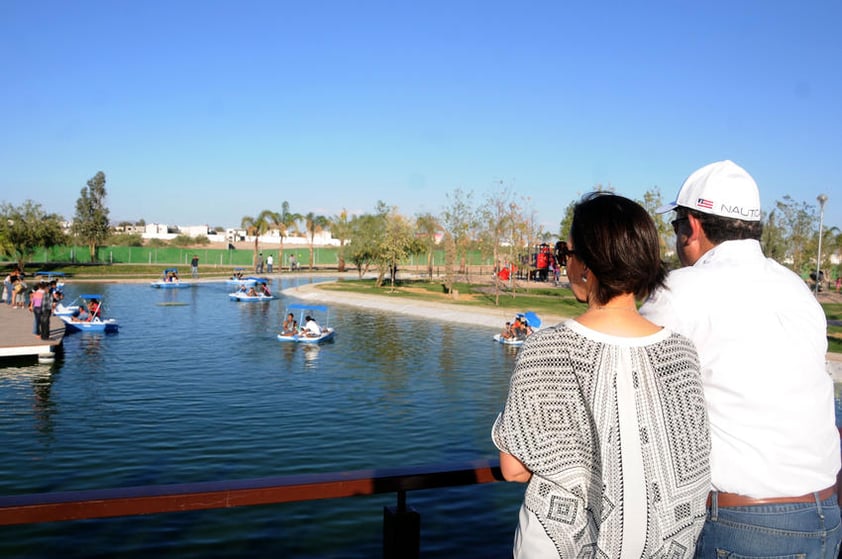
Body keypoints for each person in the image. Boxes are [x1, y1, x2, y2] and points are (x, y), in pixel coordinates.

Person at [640, 160, 841, 558]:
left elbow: (623, 380)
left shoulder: (682, 290)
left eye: (676, 225)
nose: (676, 238)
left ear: (693, 226)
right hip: (823, 518)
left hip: (745, 527)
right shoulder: (795, 289)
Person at [492, 192, 710, 557]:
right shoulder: (681, 353)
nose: (564, 264)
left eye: (567, 253)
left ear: (587, 264)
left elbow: (513, 468)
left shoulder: (546, 348)